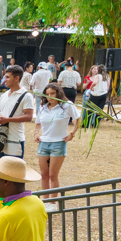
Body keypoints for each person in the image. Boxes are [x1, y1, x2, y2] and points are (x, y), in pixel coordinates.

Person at [34, 82, 79, 211]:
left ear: (58, 93)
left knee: (53, 175)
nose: (50, 97)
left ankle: (53, 202)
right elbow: (38, 122)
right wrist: (36, 133)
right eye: (47, 94)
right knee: (44, 174)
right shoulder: (43, 107)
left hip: (58, 143)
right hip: (44, 142)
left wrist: (72, 134)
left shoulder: (66, 105)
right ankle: (45, 200)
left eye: (52, 93)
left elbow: (78, 119)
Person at [0, 66, 35, 157]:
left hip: (15, 139)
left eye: (8, 77)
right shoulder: (3, 95)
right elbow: (0, 112)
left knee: (12, 170)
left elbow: (29, 117)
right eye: (5, 77)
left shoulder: (26, 96)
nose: (5, 80)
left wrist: (7, 119)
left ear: (16, 78)